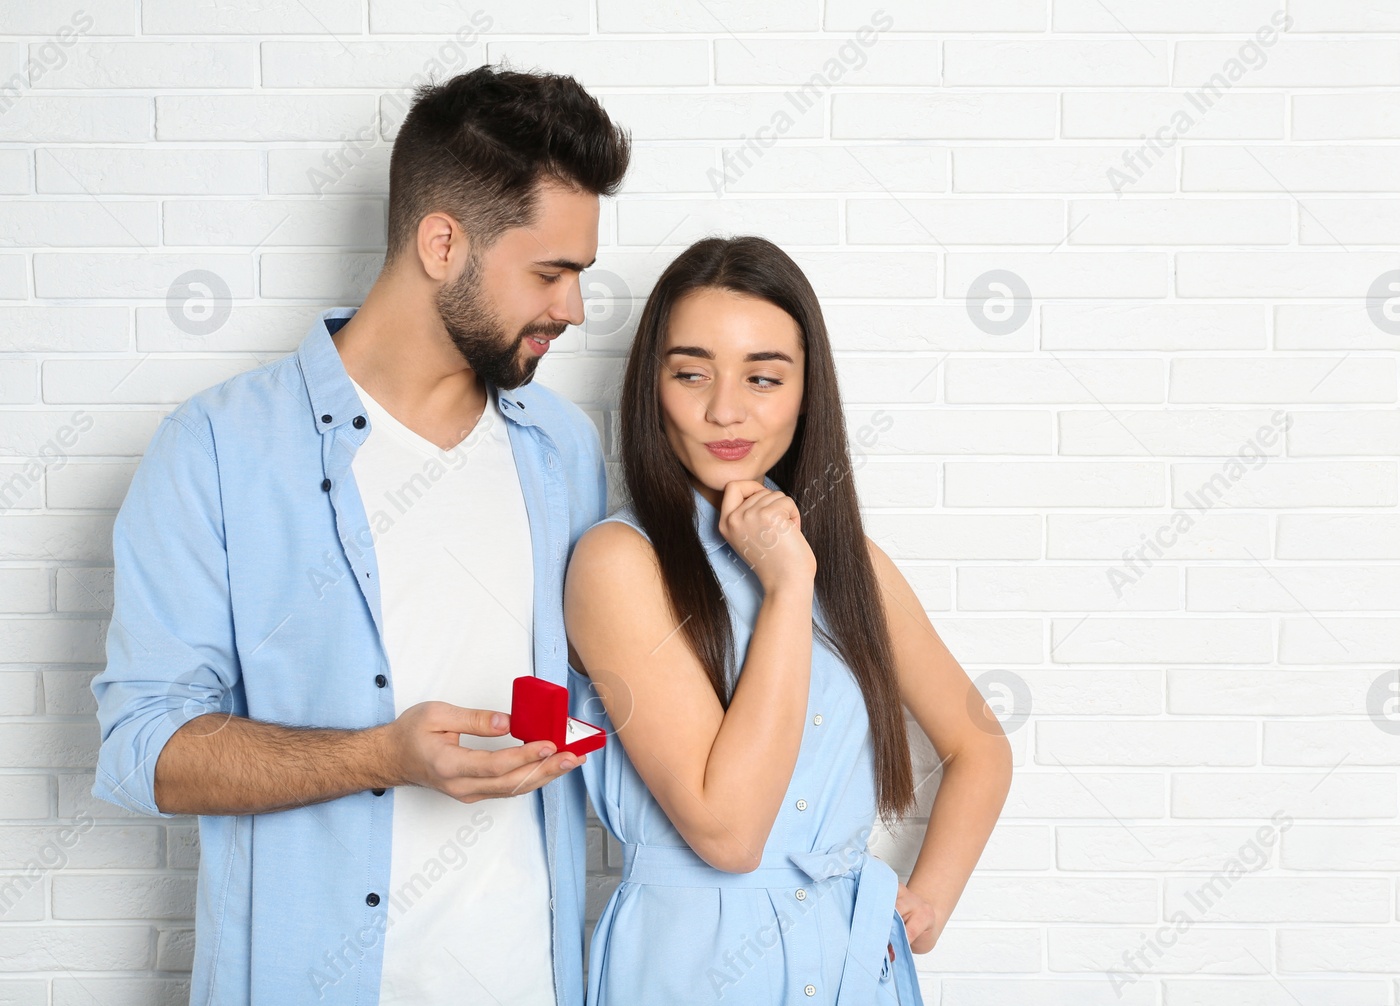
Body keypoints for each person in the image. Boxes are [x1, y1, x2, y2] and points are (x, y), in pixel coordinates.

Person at [89, 66, 629, 1006]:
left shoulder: (561, 451)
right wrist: (380, 756)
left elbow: (590, 703)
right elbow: (144, 747)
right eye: (551, 272)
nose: (573, 309)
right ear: (441, 241)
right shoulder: (217, 449)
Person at [563, 236, 1014, 1005]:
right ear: (651, 388)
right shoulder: (618, 563)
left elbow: (979, 744)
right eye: (691, 374)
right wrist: (787, 585)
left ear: (807, 391)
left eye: (764, 377)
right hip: (690, 967)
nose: (725, 410)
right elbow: (728, 832)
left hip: (849, 964)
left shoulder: (851, 562)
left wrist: (927, 899)